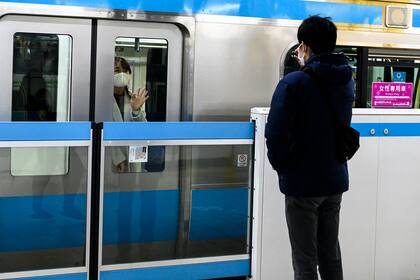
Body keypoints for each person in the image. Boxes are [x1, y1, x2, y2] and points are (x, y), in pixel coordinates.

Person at [265, 16, 355, 280]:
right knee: (330, 254)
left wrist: (284, 168)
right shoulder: (346, 80)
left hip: (303, 184)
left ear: (304, 46)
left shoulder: (293, 83)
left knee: (304, 259)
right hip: (334, 179)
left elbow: (276, 134)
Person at [112, 56, 148, 172]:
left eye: (125, 71)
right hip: (112, 158)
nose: (122, 74)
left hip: (134, 155)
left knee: (133, 184)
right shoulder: (101, 101)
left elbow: (143, 130)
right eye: (117, 70)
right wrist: (117, 158)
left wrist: (136, 110)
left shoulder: (134, 98)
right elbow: (102, 132)